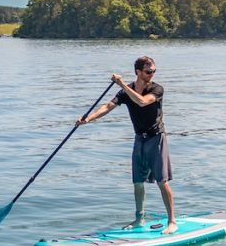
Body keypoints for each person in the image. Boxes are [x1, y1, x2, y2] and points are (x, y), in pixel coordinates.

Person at [76, 56, 177, 234]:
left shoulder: (157, 89)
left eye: (153, 71)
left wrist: (121, 84)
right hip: (139, 139)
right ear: (138, 72)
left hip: (156, 138)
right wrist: (88, 119)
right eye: (148, 71)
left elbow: (142, 101)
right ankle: (139, 219)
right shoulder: (126, 92)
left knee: (162, 181)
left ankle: (172, 222)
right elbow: (108, 106)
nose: (151, 74)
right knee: (138, 182)